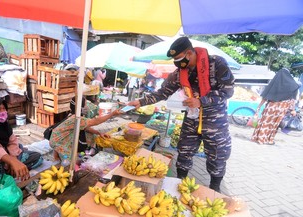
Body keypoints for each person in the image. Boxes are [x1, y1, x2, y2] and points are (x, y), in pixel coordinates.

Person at [127, 37, 235, 193]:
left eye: (178, 58)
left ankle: (215, 188)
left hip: (214, 121)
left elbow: (228, 90)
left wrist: (202, 101)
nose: (176, 63)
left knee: (217, 157)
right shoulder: (180, 73)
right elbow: (163, 92)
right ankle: (179, 186)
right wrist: (141, 102)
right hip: (191, 120)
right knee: (184, 153)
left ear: (189, 53)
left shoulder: (216, 64)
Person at [49, 96, 122, 161]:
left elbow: (86, 128)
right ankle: (61, 157)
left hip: (58, 137)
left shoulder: (75, 116)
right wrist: (112, 114)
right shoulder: (76, 118)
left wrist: (99, 133)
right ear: (81, 108)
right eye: (86, 104)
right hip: (57, 141)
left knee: (91, 135)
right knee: (71, 162)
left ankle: (61, 155)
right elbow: (96, 121)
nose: (88, 106)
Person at [251, 68, 300, 145]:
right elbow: (292, 100)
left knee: (265, 122)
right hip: (282, 108)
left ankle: (260, 139)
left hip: (271, 107)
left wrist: (259, 106)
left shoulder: (274, 83)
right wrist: (292, 110)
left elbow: (265, 96)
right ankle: (269, 140)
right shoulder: (293, 85)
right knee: (275, 124)